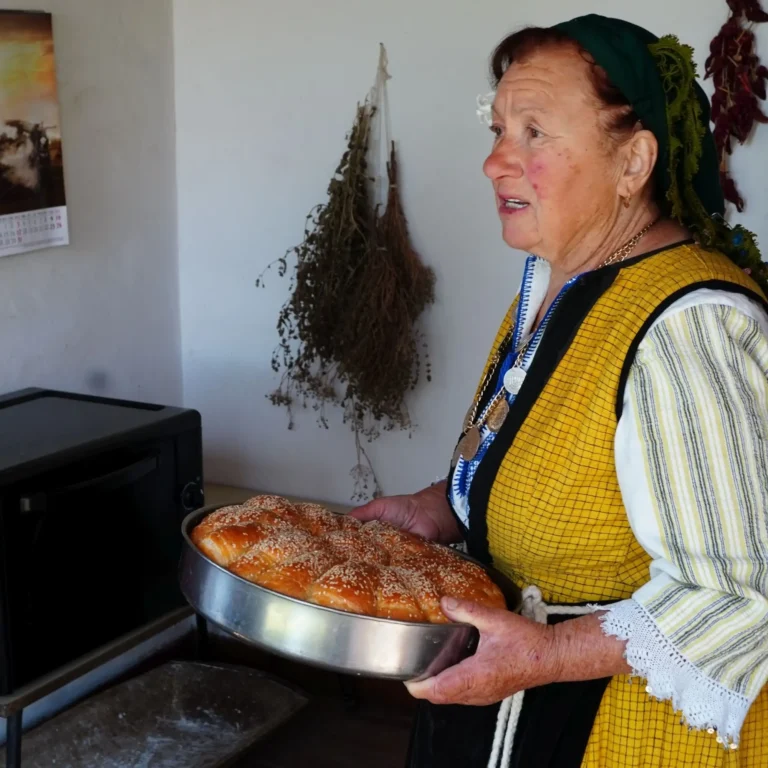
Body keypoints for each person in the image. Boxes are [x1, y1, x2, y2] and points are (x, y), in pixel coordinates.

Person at [352, 13, 768, 768]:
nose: (494, 162)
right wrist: (445, 506)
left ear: (633, 161)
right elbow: (560, 466)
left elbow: (739, 595)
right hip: (506, 709)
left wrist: (547, 655)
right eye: (498, 130)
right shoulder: (561, 282)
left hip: (620, 733)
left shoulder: (691, 326)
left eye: (534, 132)